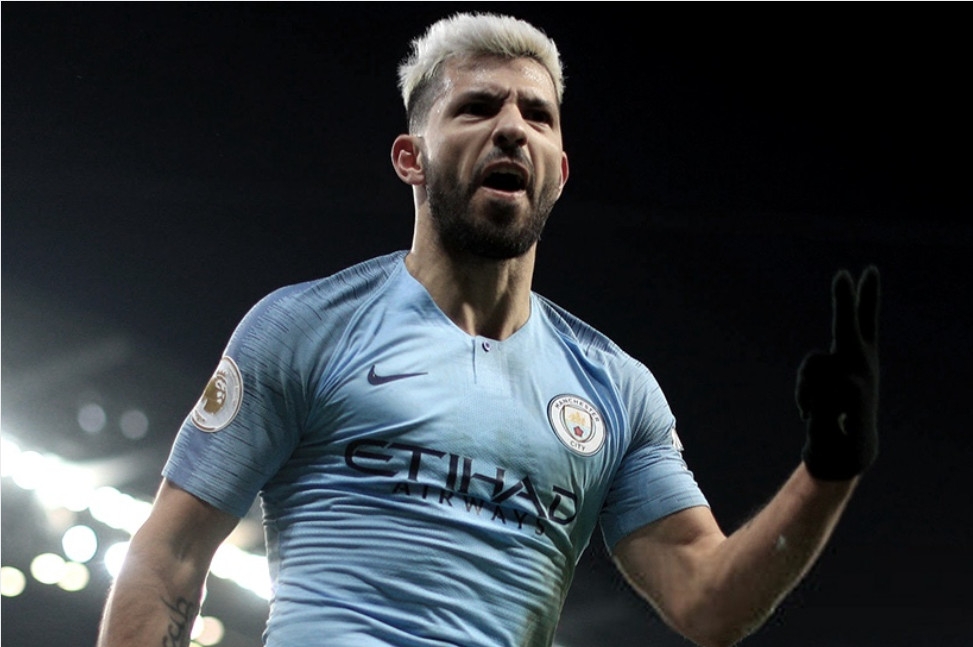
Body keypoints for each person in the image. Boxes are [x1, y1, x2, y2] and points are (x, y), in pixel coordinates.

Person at [96, 12, 880, 647]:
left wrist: (827, 472)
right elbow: (169, 557)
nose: (512, 128)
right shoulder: (307, 327)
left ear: (558, 171)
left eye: (537, 115)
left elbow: (706, 601)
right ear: (411, 157)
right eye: (476, 107)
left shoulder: (615, 388)